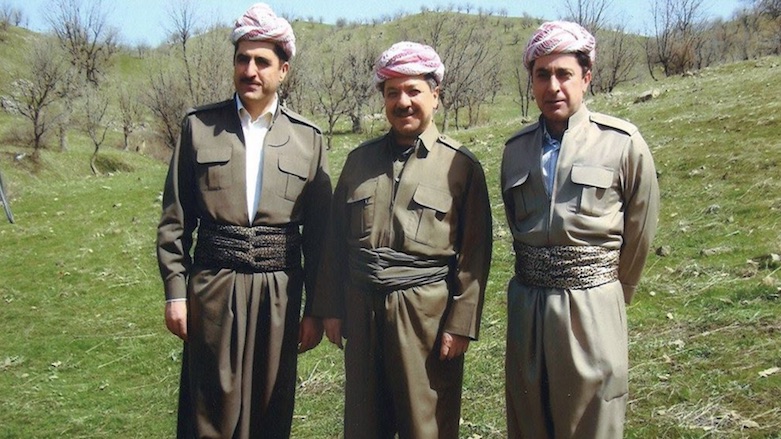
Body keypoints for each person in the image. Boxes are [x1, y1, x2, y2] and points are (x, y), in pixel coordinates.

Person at [156, 3, 332, 438]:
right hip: (213, 285)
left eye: (262, 61)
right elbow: (175, 220)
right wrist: (175, 294)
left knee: (271, 408)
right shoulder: (199, 127)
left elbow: (322, 237)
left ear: (283, 69)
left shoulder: (308, 139)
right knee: (208, 410)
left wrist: (317, 309)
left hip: (280, 290)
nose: (250, 70)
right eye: (242, 59)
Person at [312, 41, 493, 438]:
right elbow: (334, 243)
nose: (403, 102)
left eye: (413, 91)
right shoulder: (359, 161)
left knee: (425, 424)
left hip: (425, 318)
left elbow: (475, 255)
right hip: (362, 313)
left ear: (436, 95)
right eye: (392, 92)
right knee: (363, 424)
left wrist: (461, 324)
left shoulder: (460, 165)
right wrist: (331, 308)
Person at [501, 21, 660, 438]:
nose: (553, 86)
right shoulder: (514, 151)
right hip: (528, 306)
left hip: (594, 305)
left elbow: (640, 231)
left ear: (586, 78)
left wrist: (611, 292)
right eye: (542, 75)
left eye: (564, 74)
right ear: (532, 81)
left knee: (594, 419)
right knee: (529, 416)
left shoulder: (622, 143)